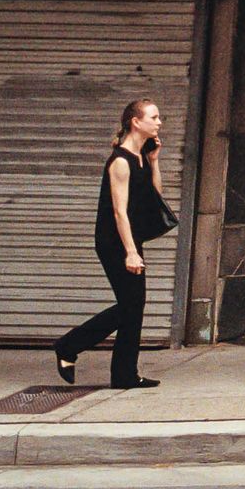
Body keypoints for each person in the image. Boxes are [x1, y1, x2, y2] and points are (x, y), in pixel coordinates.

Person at [53, 99, 166, 389]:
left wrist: (154, 161)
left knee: (133, 305)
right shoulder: (120, 162)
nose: (159, 122)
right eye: (154, 117)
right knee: (131, 305)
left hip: (129, 238)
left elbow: (155, 197)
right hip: (113, 240)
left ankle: (123, 375)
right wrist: (130, 252)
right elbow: (119, 212)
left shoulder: (140, 157)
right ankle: (69, 345)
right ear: (136, 122)